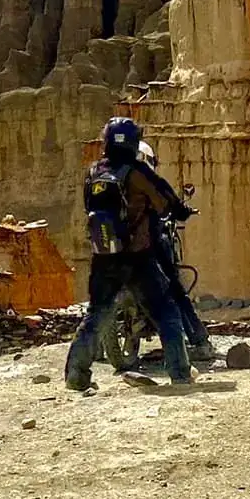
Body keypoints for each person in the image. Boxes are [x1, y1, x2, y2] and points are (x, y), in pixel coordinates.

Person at [65, 117, 195, 391]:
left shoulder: (93, 172)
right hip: (137, 258)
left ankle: (76, 374)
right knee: (166, 311)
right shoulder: (137, 171)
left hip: (103, 257)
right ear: (134, 143)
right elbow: (165, 201)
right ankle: (180, 374)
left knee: (96, 314)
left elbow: (89, 207)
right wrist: (181, 211)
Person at [136, 138, 216, 364]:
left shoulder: (106, 181)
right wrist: (185, 211)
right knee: (175, 290)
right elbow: (175, 208)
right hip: (149, 247)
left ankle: (94, 349)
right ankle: (198, 341)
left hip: (114, 251)